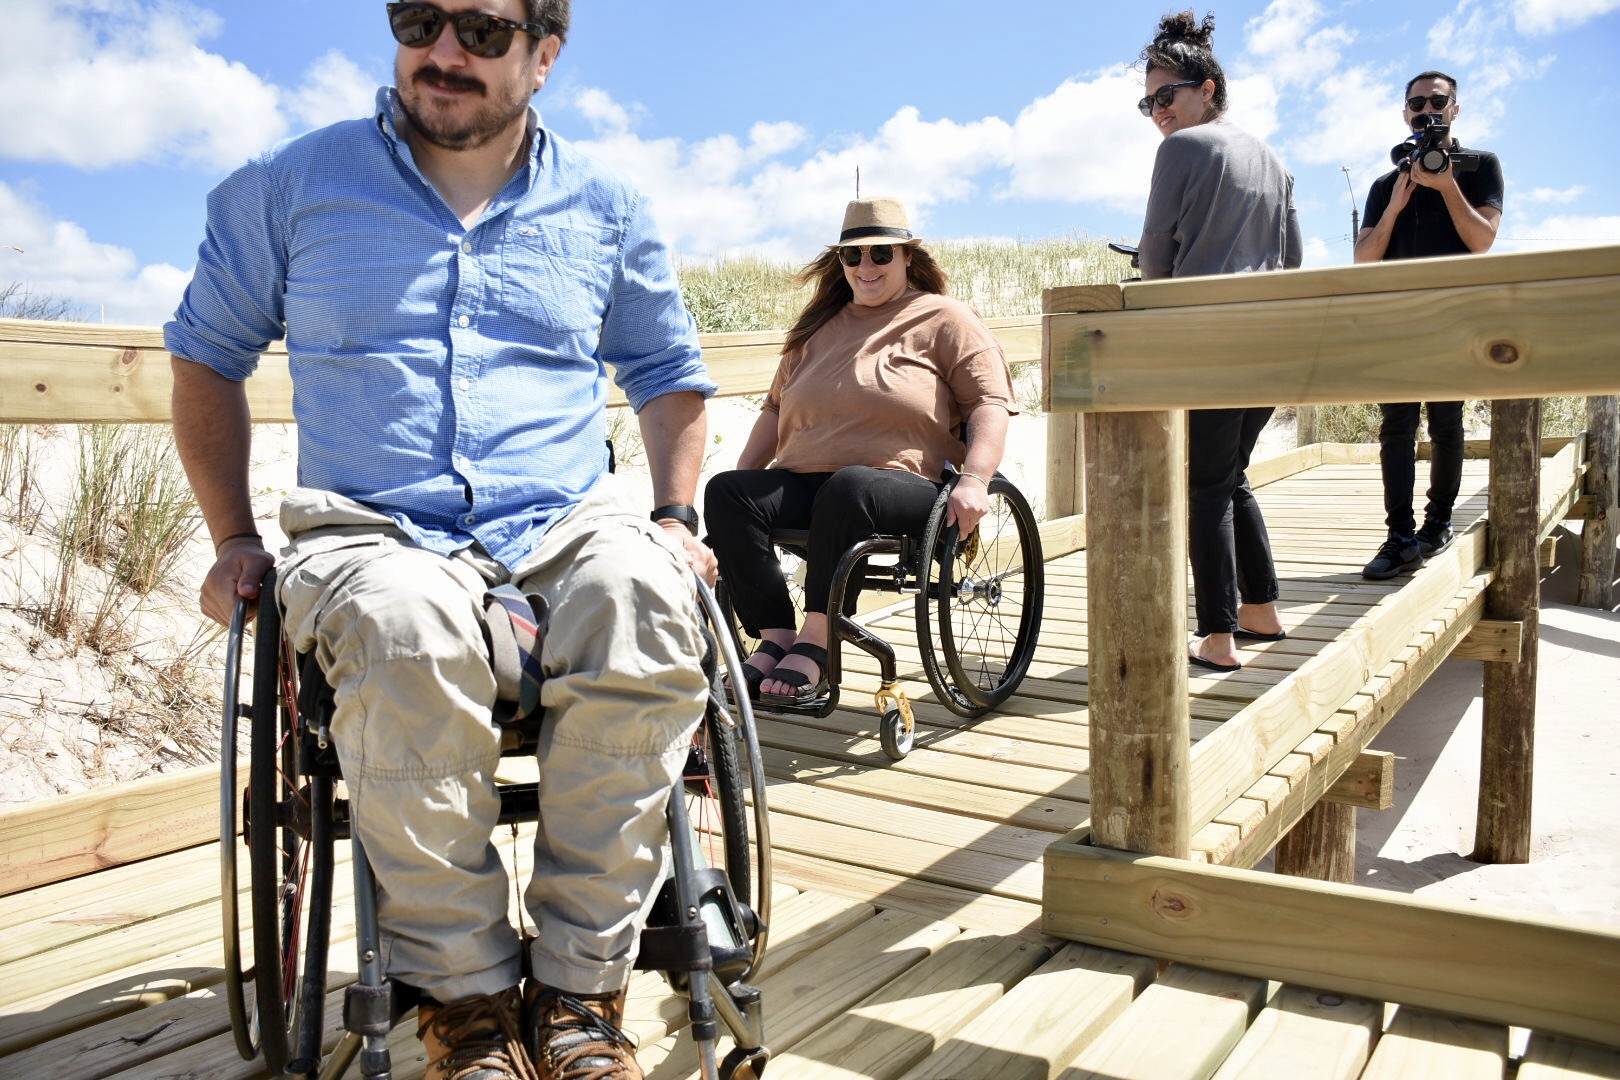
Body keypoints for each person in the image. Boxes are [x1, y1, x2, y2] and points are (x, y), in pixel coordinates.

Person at [164, 3, 716, 1078]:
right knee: (406, 622)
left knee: (647, 596)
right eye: (419, 19)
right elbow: (204, 356)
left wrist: (676, 517)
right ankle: (465, 999)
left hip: (555, 525)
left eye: (481, 28)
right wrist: (232, 535)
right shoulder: (290, 183)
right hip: (371, 529)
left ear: (545, 55)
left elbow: (668, 372)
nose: (443, 51)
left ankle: (578, 990)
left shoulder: (607, 204)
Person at [704, 197, 1016, 705]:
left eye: (880, 254)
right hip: (809, 480)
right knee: (727, 491)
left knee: (849, 485)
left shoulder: (944, 318)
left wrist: (976, 478)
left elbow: (989, 401)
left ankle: (820, 638)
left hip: (902, 485)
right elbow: (774, 412)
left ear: (906, 257)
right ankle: (777, 634)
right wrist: (742, 491)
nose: (865, 266)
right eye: (853, 257)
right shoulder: (815, 328)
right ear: (841, 263)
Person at [1135, 10, 1301, 673]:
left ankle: (1218, 637)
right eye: (1146, 102)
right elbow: (1292, 261)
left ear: (1207, 86)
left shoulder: (1181, 150)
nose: (1156, 112)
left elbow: (1152, 261)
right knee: (1231, 479)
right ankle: (1260, 610)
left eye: (1165, 95)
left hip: (1209, 341)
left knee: (1204, 487)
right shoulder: (1274, 159)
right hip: (1269, 343)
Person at [1356, 71, 1504, 580]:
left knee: (1446, 420)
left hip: (1455, 317)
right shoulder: (1385, 184)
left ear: (1455, 109)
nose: (1427, 110)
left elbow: (1482, 240)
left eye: (1438, 102)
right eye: (1416, 103)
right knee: (1395, 427)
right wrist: (1397, 204)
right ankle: (1398, 536)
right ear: (1404, 113)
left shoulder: (1480, 167)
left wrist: (1445, 188)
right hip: (1396, 322)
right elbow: (1365, 259)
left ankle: (1437, 525)